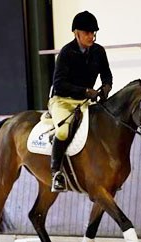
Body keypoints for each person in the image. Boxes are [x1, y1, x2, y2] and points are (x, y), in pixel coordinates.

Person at [48, 10, 113, 192]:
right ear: (76, 33)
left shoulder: (99, 51)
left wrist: (107, 85)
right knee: (62, 131)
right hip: (62, 101)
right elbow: (59, 84)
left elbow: (106, 73)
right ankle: (56, 174)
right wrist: (84, 91)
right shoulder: (67, 53)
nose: (91, 36)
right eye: (87, 33)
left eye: (93, 33)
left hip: (85, 102)